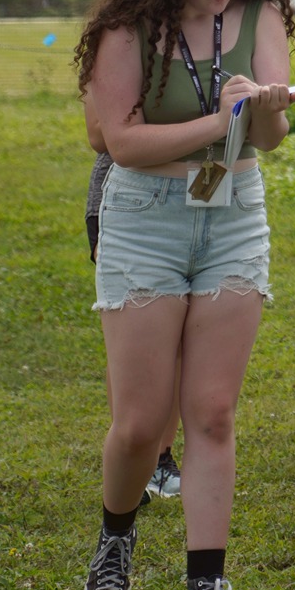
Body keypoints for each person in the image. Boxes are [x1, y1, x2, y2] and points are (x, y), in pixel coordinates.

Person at [74, 0, 295, 590]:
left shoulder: (259, 14)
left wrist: (262, 111)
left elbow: (268, 135)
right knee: (142, 422)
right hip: (145, 214)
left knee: (212, 409)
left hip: (234, 210)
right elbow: (122, 140)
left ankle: (208, 576)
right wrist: (216, 121)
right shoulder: (126, 25)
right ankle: (116, 535)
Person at [85, 146, 184, 504]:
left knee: (177, 343)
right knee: (131, 342)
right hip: (126, 200)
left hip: (191, 200)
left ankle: (161, 458)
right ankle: (132, 456)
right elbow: (101, 135)